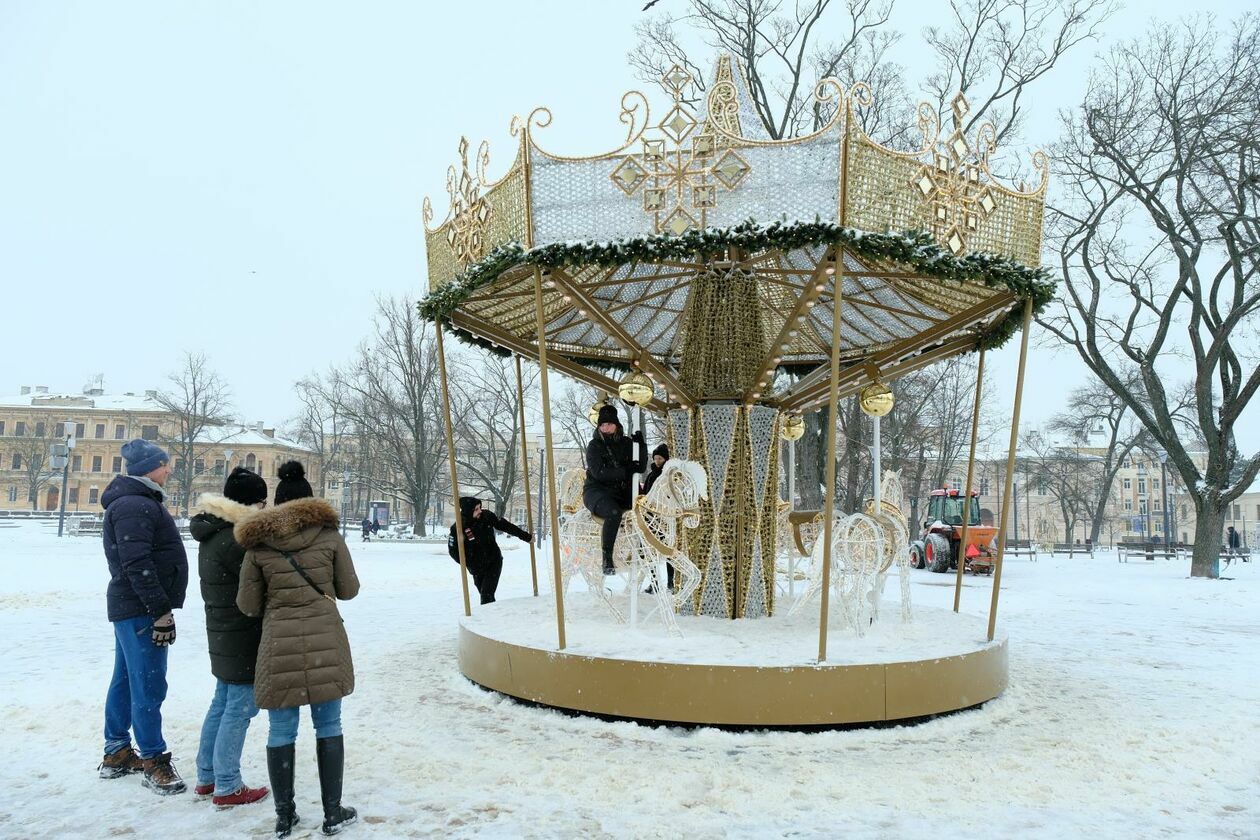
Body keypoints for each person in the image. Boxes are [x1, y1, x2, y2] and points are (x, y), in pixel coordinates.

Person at [236, 462, 360, 838]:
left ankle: (284, 814)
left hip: (279, 643)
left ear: (276, 503)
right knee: (329, 724)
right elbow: (349, 590)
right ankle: (332, 811)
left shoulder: (258, 546)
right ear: (310, 500)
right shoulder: (331, 538)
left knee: (281, 729)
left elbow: (248, 605)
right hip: (325, 639)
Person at [98, 438, 189, 795]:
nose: (169, 470)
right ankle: (154, 760)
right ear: (151, 467)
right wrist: (160, 611)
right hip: (140, 609)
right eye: (165, 464)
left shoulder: (137, 501)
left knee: (125, 679)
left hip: (132, 607)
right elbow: (137, 564)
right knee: (149, 683)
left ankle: (117, 750)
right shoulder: (136, 504)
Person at [188, 467, 271, 808]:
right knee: (239, 707)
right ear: (252, 504)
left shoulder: (214, 530)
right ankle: (227, 785)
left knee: (222, 702)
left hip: (223, 631)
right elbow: (260, 583)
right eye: (263, 503)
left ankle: (208, 776)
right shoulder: (237, 538)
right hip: (241, 632)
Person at [583, 404, 646, 575]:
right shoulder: (594, 445)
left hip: (620, 492)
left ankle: (643, 552)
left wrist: (641, 446)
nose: (606, 427)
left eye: (609, 424)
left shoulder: (626, 443)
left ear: (616, 425)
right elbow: (598, 473)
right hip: (597, 491)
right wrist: (625, 471)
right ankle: (607, 558)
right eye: (602, 425)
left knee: (643, 509)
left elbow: (640, 467)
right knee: (613, 512)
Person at [447, 496, 532, 605]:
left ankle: (488, 620)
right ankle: (492, 617)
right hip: (476, 568)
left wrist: (526, 537)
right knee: (486, 596)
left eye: (480, 508)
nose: (480, 511)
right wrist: (469, 562)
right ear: (469, 511)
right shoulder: (458, 527)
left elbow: (505, 526)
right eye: (476, 509)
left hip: (493, 561)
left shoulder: (486, 516)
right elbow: (453, 551)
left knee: (486, 595)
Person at [639, 444, 675, 592]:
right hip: (649, 515)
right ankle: (654, 582)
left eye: (660, 458)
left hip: (663, 517)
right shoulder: (652, 474)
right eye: (655, 458)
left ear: (665, 459)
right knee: (647, 550)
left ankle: (671, 582)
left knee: (667, 550)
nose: (657, 461)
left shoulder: (666, 475)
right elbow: (647, 492)